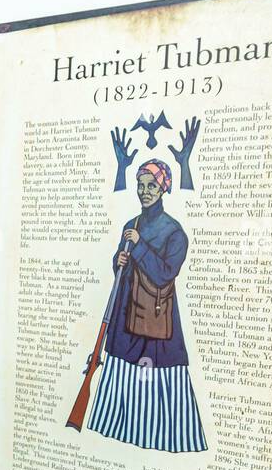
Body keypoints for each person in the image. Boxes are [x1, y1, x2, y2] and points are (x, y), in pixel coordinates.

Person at [87, 159, 207, 452]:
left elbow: (166, 273)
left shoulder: (175, 232)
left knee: (158, 379)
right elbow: (121, 269)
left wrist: (139, 247)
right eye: (141, 186)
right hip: (125, 315)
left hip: (155, 320)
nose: (144, 191)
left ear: (163, 188)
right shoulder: (131, 224)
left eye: (151, 185)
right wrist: (119, 262)